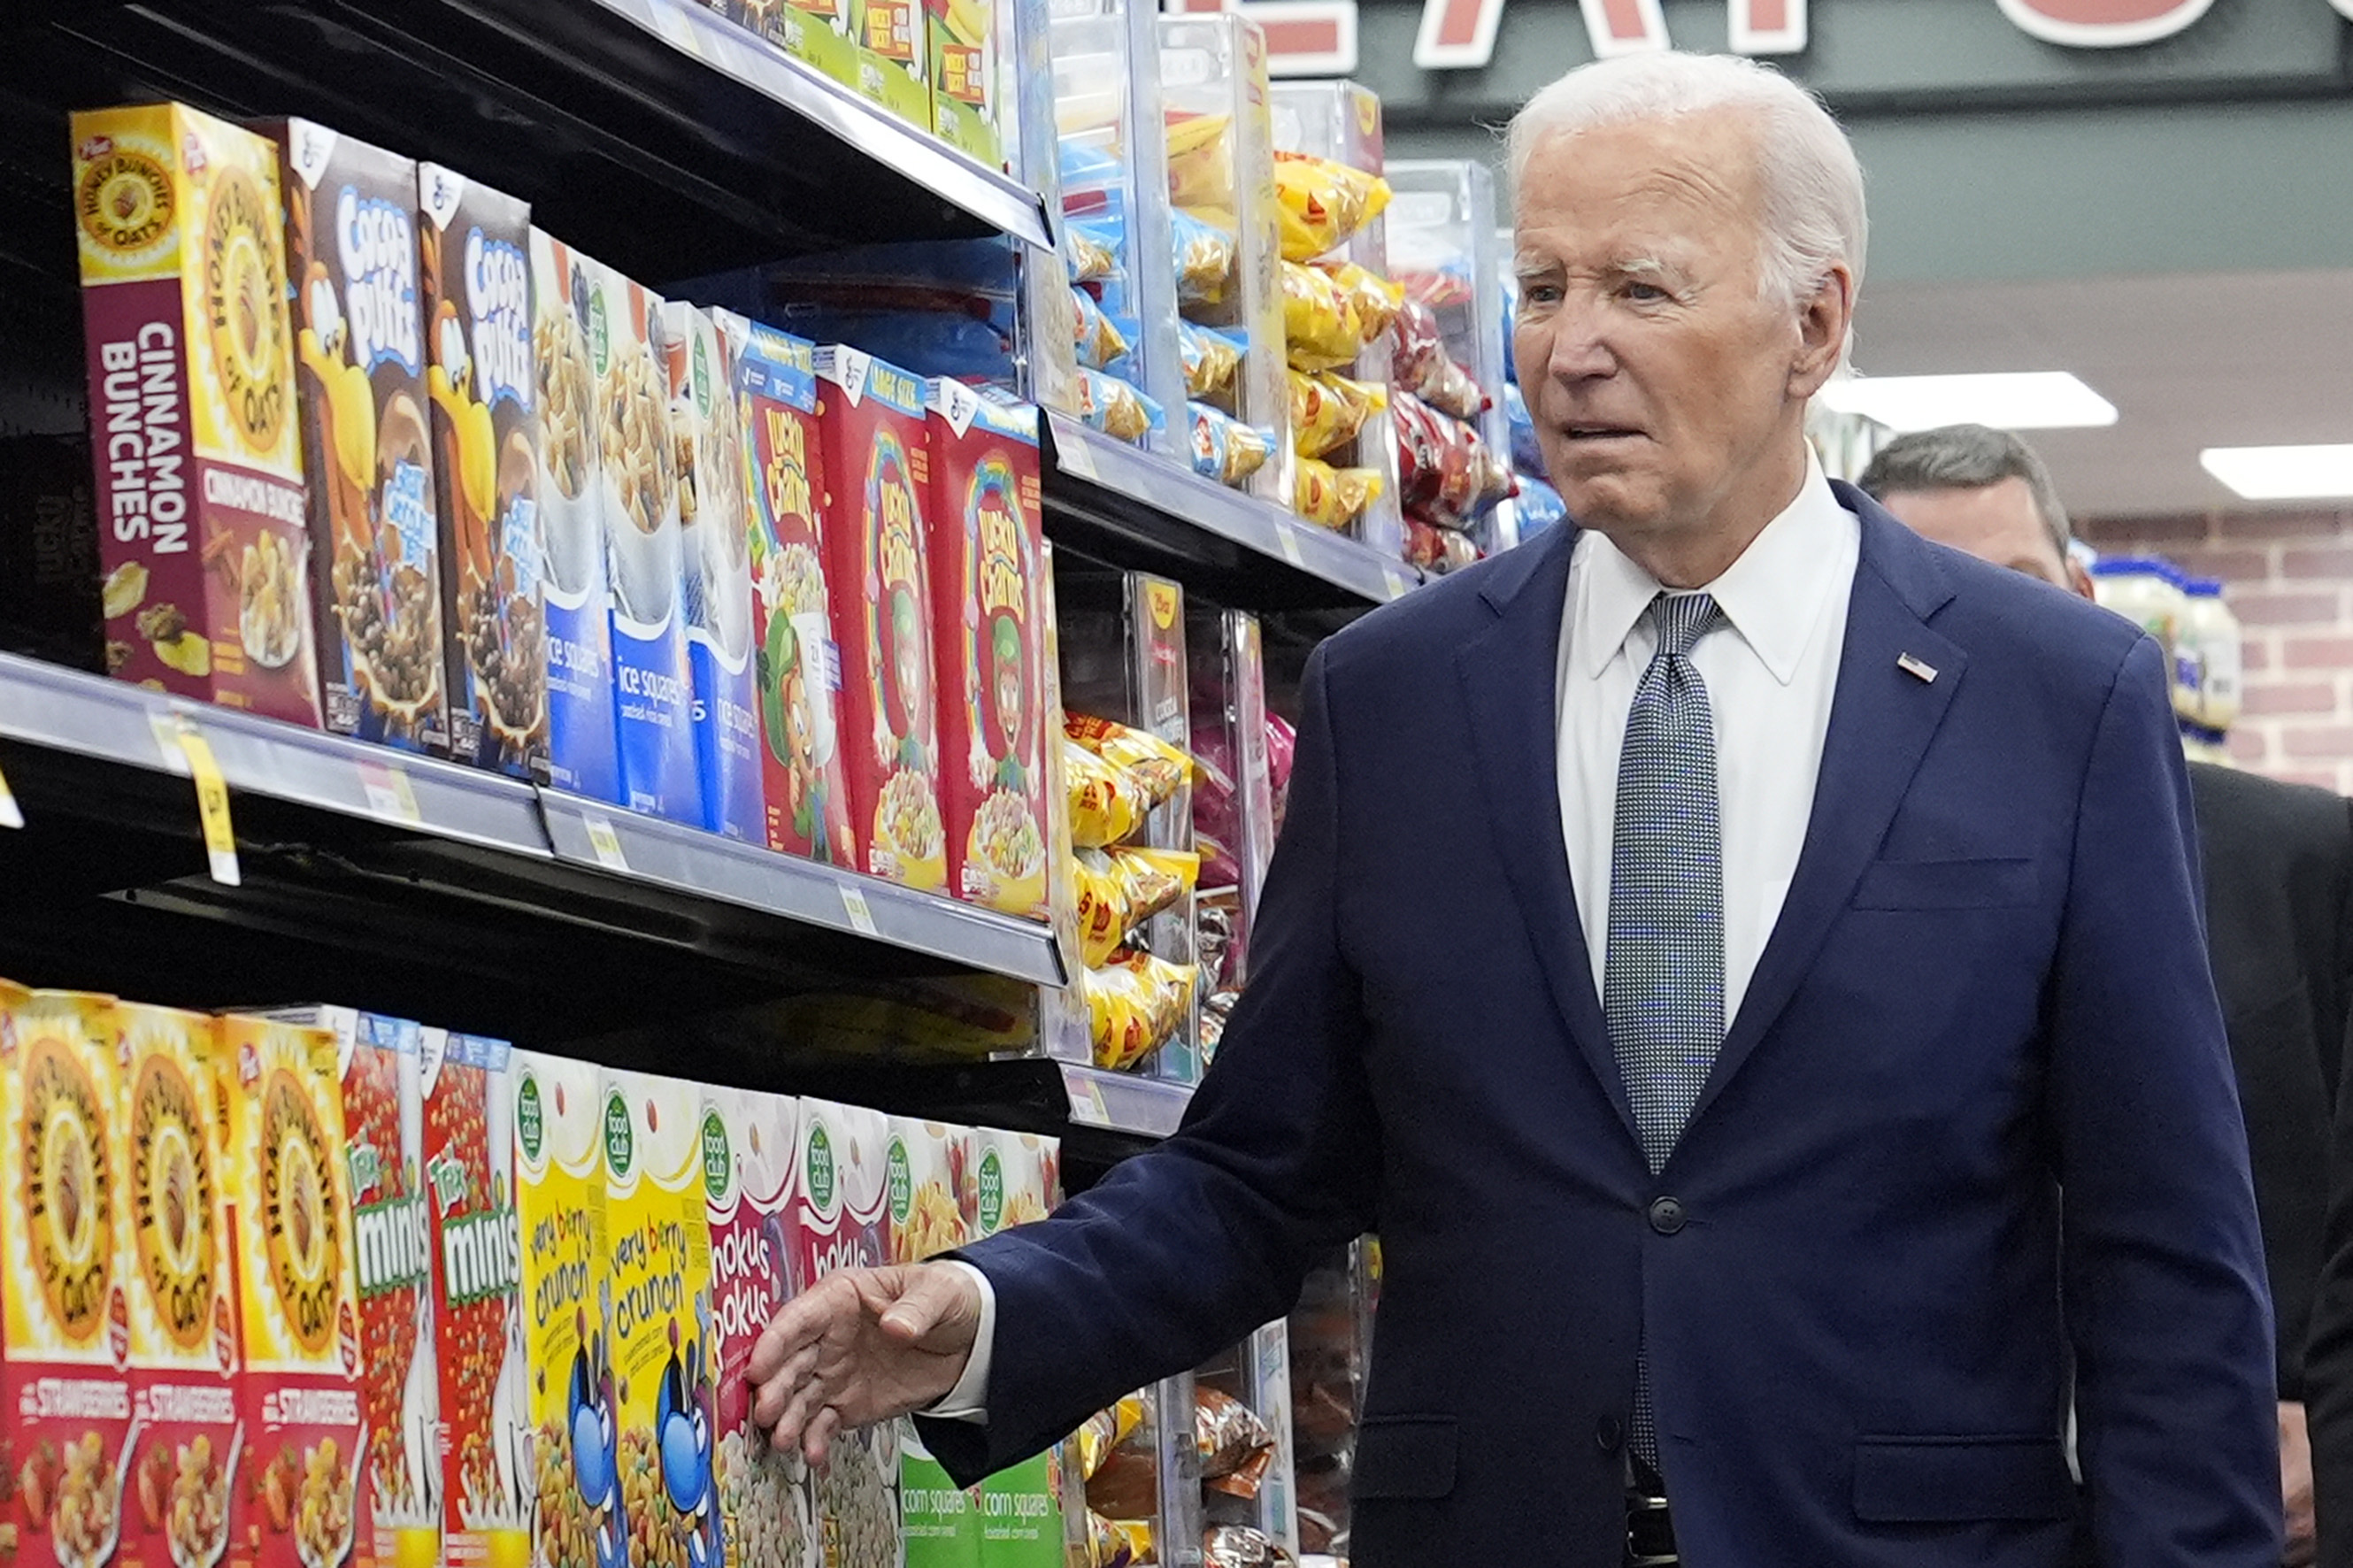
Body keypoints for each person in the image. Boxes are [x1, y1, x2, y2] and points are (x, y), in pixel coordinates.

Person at [749, 52, 2280, 1566]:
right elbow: (1261, 1174)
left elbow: (2168, 1257)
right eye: (1545, 288)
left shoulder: (2053, 698)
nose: (1571, 348)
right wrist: (989, 1318)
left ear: (1814, 327)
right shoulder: (1398, 696)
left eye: (1644, 290)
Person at [1861, 422, 2353, 1568]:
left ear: (2085, 599)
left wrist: (2336, 1442)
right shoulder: (1809, 907)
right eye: (1937, 597)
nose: (1983, 637)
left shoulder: (2306, 866)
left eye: (2018, 589)